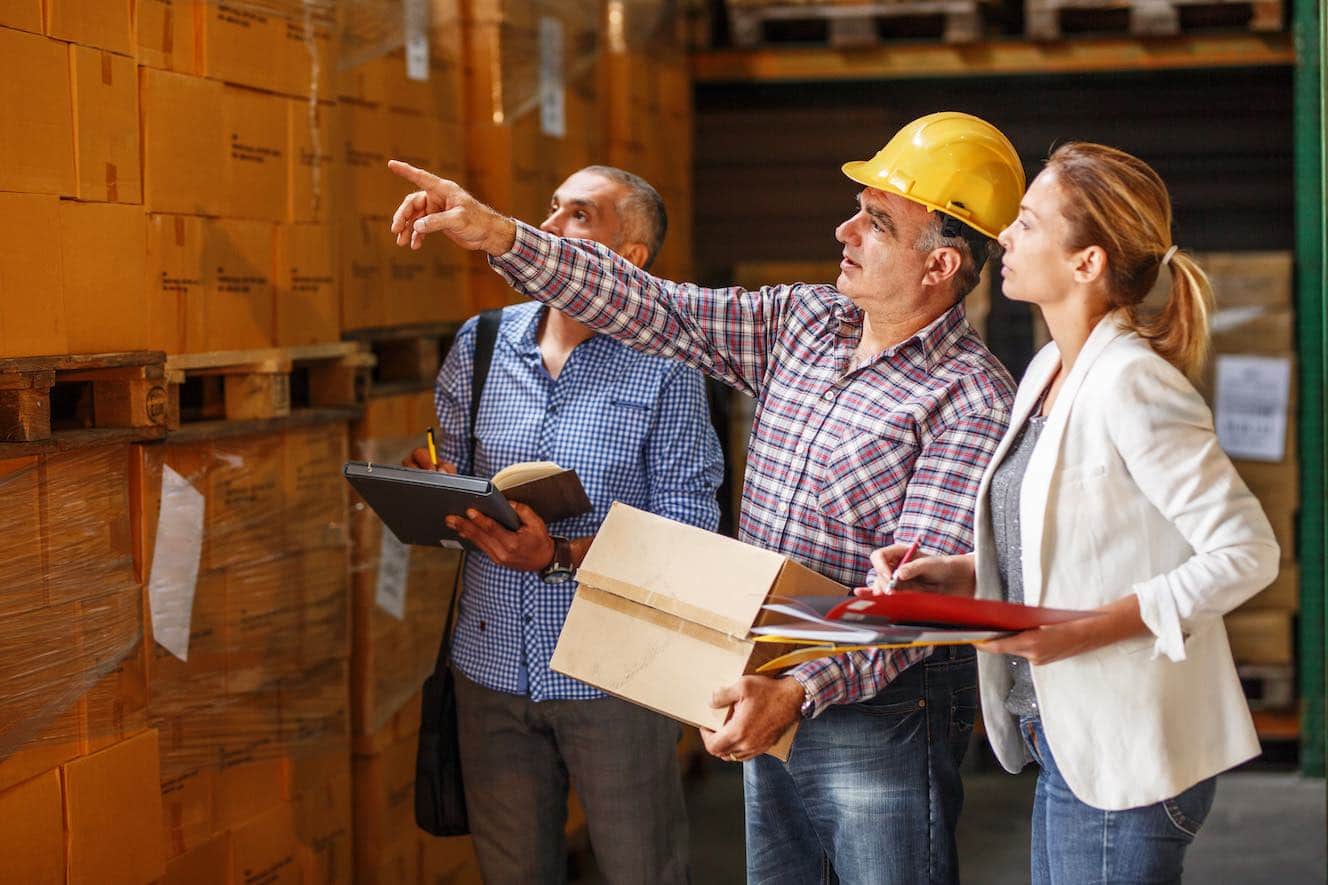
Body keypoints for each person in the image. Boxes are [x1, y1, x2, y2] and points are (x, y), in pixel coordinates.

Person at [388, 112, 1024, 883]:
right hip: (763, 679)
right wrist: (501, 236)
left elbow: (910, 602)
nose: (844, 229)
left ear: (939, 266)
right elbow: (652, 305)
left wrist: (795, 689)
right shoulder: (806, 324)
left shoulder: (971, 397)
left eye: (877, 221)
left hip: (876, 716)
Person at [867, 142, 1280, 884]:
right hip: (1067, 734)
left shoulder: (1132, 384)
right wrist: (961, 574)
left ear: (1086, 262)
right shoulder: (1048, 370)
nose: (1004, 239)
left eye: (1026, 224)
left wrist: (1090, 630)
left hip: (1130, 748)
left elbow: (1246, 552)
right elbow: (1072, 538)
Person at [403, 165, 724, 884]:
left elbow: (691, 533)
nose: (547, 229)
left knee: (644, 870)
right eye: (551, 209)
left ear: (630, 258)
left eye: (578, 217)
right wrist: (429, 486)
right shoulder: (482, 344)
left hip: (612, 680)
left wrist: (561, 552)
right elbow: (454, 472)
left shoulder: (666, 366)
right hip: (487, 674)